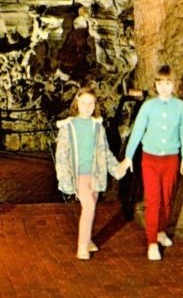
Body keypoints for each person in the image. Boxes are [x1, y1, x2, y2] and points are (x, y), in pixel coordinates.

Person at [123, 64, 183, 261]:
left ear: (173, 84)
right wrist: (129, 156)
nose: (164, 87)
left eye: (168, 83)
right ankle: (152, 242)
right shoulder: (148, 106)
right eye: (160, 83)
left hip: (170, 159)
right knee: (153, 200)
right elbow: (137, 131)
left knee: (167, 201)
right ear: (155, 84)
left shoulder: (181, 107)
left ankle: (161, 232)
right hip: (150, 159)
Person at [55, 86, 129, 260]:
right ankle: (82, 247)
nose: (87, 107)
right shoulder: (68, 126)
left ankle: (87, 239)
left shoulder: (98, 126)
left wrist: (118, 167)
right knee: (88, 207)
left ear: (95, 105)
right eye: (83, 103)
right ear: (77, 103)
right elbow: (62, 153)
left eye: (91, 103)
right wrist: (64, 175)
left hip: (95, 174)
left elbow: (104, 151)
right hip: (79, 174)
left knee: (91, 207)